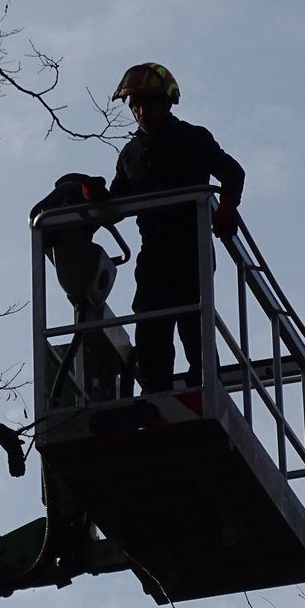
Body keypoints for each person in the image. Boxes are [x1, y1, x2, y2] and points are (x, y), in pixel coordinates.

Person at [108, 62, 244, 394]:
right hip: (153, 250)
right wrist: (93, 198)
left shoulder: (191, 139)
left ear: (165, 103)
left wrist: (226, 205)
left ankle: (203, 386)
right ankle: (155, 394)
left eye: (147, 102)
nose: (140, 111)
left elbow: (232, 173)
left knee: (192, 321)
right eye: (134, 104)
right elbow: (116, 205)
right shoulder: (130, 155)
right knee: (150, 325)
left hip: (190, 244)